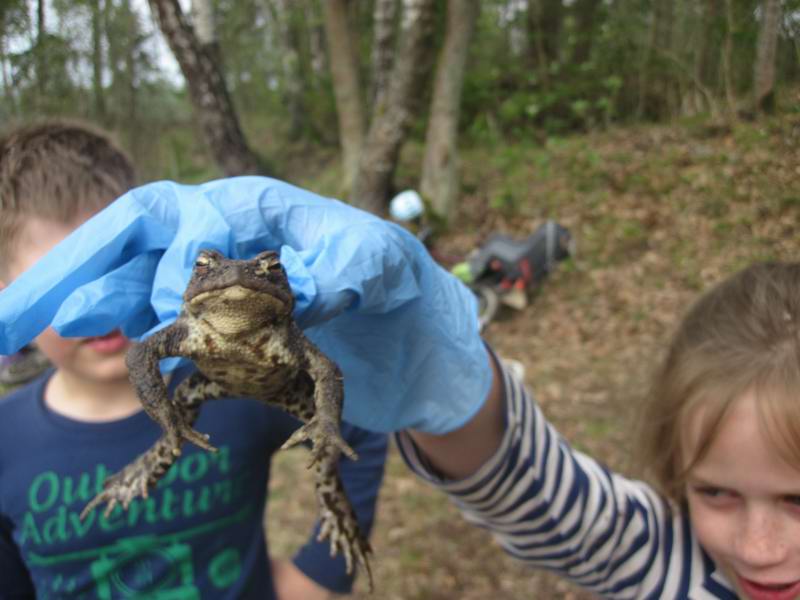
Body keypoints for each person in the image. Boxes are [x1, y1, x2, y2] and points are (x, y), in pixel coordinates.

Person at [0, 172, 798, 600]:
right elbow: (561, 514)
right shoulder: (669, 565)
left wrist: (332, 438)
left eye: (795, 500)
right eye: (718, 493)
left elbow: (323, 371)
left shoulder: (285, 331)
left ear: (282, 286)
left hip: (283, 382)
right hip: (212, 382)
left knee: (322, 457)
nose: (761, 546)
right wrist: (451, 388)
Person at [0, 121, 387, 599]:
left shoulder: (268, 360)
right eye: (57, 281)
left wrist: (320, 573)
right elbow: (144, 354)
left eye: (117, 263)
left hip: (269, 384)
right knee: (181, 417)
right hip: (199, 389)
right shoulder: (6, 441)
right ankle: (150, 463)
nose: (95, 303)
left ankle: (338, 522)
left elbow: (344, 402)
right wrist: (168, 421)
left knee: (328, 447)